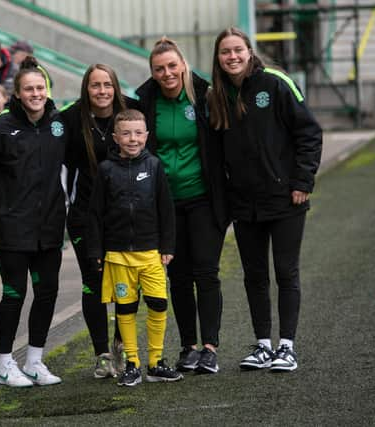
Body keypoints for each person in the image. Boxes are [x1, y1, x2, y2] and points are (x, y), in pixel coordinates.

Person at [208, 27, 322, 372]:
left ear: (249, 51)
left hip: (286, 198)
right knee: (253, 275)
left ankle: (286, 347)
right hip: (245, 204)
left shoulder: (275, 82)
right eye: (225, 52)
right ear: (218, 57)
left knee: (286, 272)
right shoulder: (217, 95)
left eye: (237, 50)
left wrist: (302, 181)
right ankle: (262, 345)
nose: (232, 57)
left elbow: (309, 132)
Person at [136, 38, 229, 374]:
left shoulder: (205, 96)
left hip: (204, 199)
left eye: (172, 66)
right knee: (177, 276)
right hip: (166, 204)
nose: (167, 73)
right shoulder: (145, 100)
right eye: (159, 68)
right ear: (153, 72)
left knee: (206, 272)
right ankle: (188, 346)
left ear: (183, 65)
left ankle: (209, 347)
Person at [0, 56, 67, 388]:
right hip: (12, 228)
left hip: (49, 226)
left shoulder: (59, 124)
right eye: (29, 89)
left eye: (40, 88)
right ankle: (4, 364)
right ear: (16, 93)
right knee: (14, 294)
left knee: (47, 291)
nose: (35, 94)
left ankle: (34, 360)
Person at [87, 109, 183, 387]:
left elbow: (166, 209)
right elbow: (95, 214)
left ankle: (155, 362)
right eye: (126, 133)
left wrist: (167, 245)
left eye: (138, 133)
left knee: (158, 303)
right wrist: (95, 251)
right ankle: (133, 363)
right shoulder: (106, 170)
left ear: (147, 136)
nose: (132, 138)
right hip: (117, 254)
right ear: (115, 137)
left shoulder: (154, 165)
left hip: (151, 251)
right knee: (125, 310)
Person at [61, 64, 137, 378]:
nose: (102, 91)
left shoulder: (131, 114)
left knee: (125, 285)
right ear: (86, 89)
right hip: (84, 217)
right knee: (93, 282)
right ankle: (101, 354)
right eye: (95, 85)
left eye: (107, 84)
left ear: (115, 88)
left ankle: (121, 344)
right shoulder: (71, 118)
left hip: (124, 216)